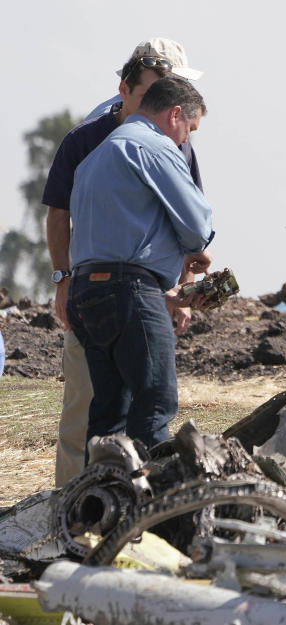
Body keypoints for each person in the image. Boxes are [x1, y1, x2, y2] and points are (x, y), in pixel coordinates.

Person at [43, 38, 205, 486]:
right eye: (156, 88)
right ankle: (85, 504)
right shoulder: (89, 138)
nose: (165, 99)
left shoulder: (176, 143)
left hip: (138, 289)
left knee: (111, 408)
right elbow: (59, 212)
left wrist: (180, 291)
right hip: (107, 288)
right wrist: (62, 279)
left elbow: (177, 219)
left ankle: (100, 508)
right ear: (125, 88)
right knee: (108, 407)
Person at [66, 76, 213, 453]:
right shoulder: (154, 146)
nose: (185, 141)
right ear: (175, 113)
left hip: (86, 292)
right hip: (129, 292)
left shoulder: (95, 156)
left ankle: (99, 503)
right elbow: (198, 226)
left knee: (109, 415)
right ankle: (153, 509)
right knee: (154, 405)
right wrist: (193, 249)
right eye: (189, 130)